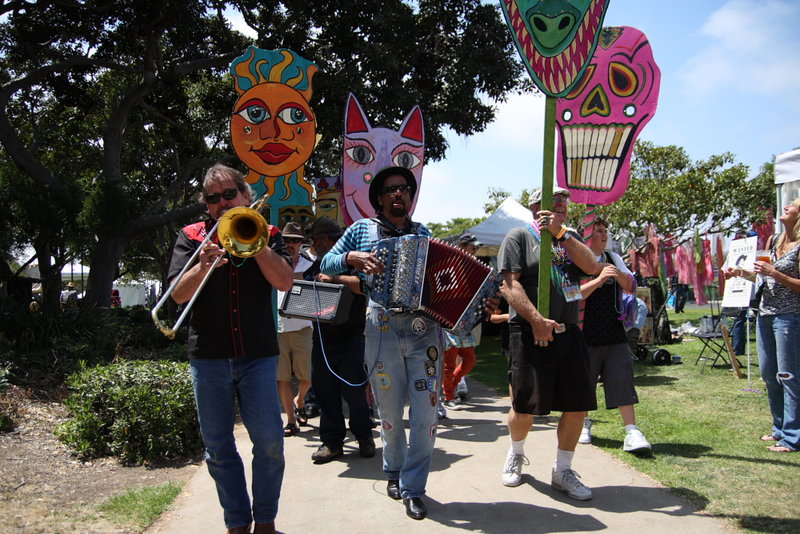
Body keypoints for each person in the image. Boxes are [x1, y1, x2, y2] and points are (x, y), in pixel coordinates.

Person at [168, 163, 294, 534]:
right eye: (213, 198)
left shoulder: (268, 233)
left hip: (257, 354)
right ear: (206, 205)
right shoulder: (191, 237)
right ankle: (237, 523)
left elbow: (285, 281)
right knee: (219, 449)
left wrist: (256, 246)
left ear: (245, 195)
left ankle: (265, 521)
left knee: (270, 442)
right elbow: (177, 294)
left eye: (229, 195)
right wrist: (202, 264)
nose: (222, 203)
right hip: (208, 355)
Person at [320, 166, 442, 520]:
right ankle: (393, 470)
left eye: (404, 188)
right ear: (379, 197)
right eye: (391, 189)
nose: (398, 194)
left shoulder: (424, 234)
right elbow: (325, 262)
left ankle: (414, 487)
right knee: (388, 411)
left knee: (426, 414)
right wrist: (350, 257)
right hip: (381, 326)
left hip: (424, 330)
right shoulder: (361, 229)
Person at [498, 185, 603, 500]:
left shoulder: (569, 239)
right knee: (525, 405)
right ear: (535, 207)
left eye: (563, 202)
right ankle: (516, 454)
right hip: (529, 333)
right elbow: (508, 286)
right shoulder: (519, 236)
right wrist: (536, 321)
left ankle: (563, 470)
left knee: (577, 405)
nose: (559, 206)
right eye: (552, 202)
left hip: (569, 333)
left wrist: (563, 234)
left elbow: (592, 267)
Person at [723, 197, 800, 453]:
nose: (787, 205)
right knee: (769, 374)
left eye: (794, 204)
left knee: (789, 376)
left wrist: (776, 274)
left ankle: (792, 436)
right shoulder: (775, 241)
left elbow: (780, 278)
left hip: (790, 316)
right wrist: (740, 274)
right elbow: (762, 277)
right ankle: (779, 428)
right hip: (765, 314)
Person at [304, 216, 375, 464]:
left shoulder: (353, 259)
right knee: (325, 393)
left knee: (355, 391)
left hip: (351, 337)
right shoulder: (315, 266)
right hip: (322, 340)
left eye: (315, 239)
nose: (313, 245)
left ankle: (364, 435)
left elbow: (362, 285)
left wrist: (334, 279)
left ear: (325, 239)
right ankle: (332, 442)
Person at [577, 218, 651, 453]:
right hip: (584, 334)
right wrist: (598, 280)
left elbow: (631, 286)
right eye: (598, 231)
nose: (604, 235)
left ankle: (632, 431)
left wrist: (615, 274)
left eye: (605, 231)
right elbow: (570, 295)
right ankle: (583, 424)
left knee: (622, 378)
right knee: (584, 383)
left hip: (613, 331)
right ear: (585, 235)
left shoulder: (614, 258)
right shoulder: (572, 259)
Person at [276, 221, 315, 437]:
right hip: (277, 327)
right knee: (281, 377)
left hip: (302, 326)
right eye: (287, 240)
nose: (291, 244)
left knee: (307, 377)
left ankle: (300, 399)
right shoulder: (272, 262)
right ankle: (290, 420)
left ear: (302, 243)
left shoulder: (310, 265)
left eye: (296, 240)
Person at [442, 233, 483, 411]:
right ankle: (449, 396)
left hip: (464, 324)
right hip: (449, 322)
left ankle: (452, 385)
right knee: (448, 364)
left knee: (470, 360)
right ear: (462, 246)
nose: (475, 250)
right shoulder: (450, 267)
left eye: (476, 248)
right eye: (472, 247)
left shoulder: (474, 268)